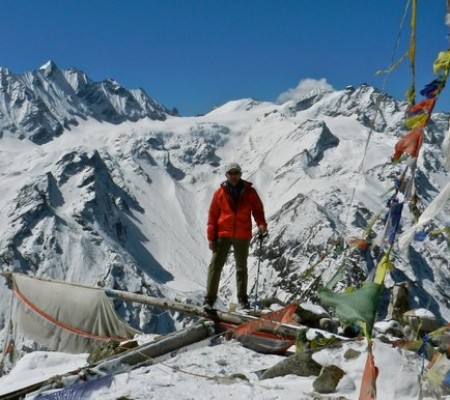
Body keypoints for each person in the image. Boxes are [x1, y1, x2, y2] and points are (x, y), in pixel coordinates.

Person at [204, 162, 267, 310]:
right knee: (215, 266)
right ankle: (209, 299)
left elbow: (258, 210)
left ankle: (243, 300)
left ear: (240, 174)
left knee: (241, 268)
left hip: (242, 234)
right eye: (231, 173)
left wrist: (261, 224)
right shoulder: (219, 194)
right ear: (226, 175)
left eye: (236, 173)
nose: (233, 176)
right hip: (223, 234)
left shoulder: (250, 192)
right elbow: (212, 216)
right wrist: (211, 237)